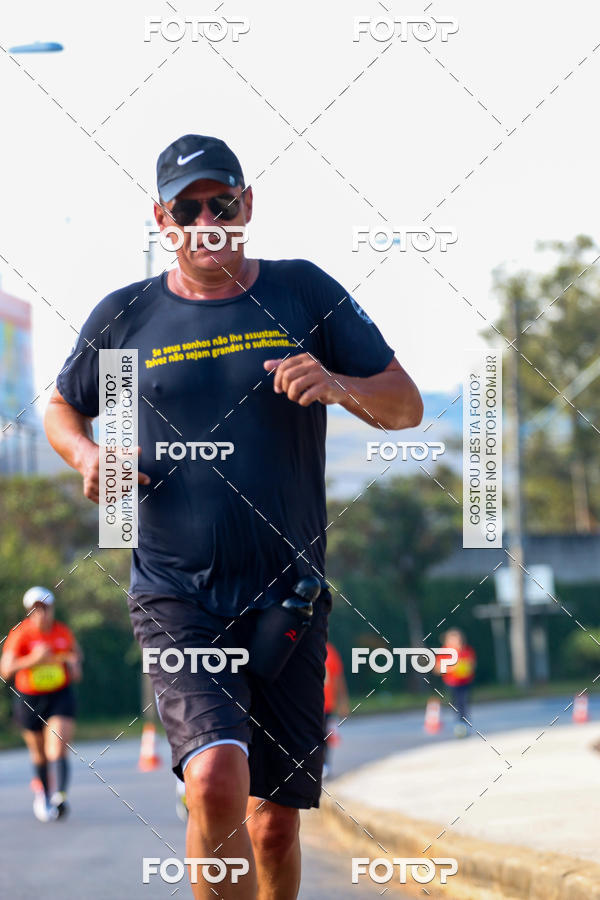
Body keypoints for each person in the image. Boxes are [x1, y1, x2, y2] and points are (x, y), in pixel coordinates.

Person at [44, 133, 423, 899]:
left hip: (288, 594)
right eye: (189, 208)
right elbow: (61, 406)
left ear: (247, 205)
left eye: (223, 202)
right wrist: (87, 458)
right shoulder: (127, 316)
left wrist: (343, 386)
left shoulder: (303, 293)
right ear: (162, 218)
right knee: (218, 775)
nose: (207, 219)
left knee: (276, 821)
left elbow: (406, 403)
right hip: (176, 591)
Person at [0, 587, 82, 821]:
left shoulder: (62, 632)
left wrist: (74, 665)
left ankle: (60, 796)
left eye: (45, 609)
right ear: (29, 612)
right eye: (35, 610)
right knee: (39, 754)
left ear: (52, 609)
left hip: (59, 695)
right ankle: (45, 795)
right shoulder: (20, 634)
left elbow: (76, 660)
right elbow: (5, 670)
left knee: (56, 746)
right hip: (29, 699)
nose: (41, 614)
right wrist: (32, 660)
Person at [438, 628, 477, 738]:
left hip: (465, 682)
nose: (457, 641)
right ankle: (459, 723)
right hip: (451, 683)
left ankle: (463, 724)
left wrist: (466, 667)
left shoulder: (467, 650)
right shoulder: (445, 651)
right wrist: (452, 668)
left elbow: (472, 664)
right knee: (456, 704)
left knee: (464, 703)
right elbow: (438, 669)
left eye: (458, 639)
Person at [323, 642, 350, 778]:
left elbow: (338, 678)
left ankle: (325, 765)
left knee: (326, 736)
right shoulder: (303, 646)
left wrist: (343, 702)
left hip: (327, 705)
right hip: (308, 705)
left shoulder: (330, 652)